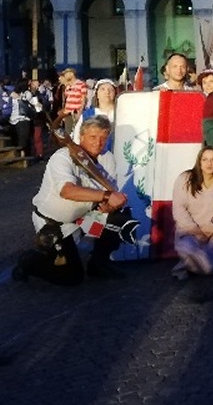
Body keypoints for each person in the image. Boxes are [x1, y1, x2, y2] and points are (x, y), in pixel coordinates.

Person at [13, 115, 132, 285]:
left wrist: (108, 207)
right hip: (55, 223)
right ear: (81, 136)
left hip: (83, 219)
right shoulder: (62, 157)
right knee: (71, 277)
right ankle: (28, 261)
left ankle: (98, 264)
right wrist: (106, 197)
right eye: (92, 137)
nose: (98, 143)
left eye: (103, 138)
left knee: (119, 219)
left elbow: (109, 195)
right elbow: (67, 191)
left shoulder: (107, 158)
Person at [171, 146, 213, 280]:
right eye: (205, 160)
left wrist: (212, 229)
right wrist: (196, 231)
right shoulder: (185, 179)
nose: (209, 164)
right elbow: (179, 209)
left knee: (210, 268)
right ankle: (185, 266)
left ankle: (187, 265)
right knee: (188, 247)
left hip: (212, 233)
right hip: (188, 231)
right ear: (199, 162)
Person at [73, 78, 117, 153]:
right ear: (97, 94)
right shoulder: (87, 115)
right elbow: (77, 137)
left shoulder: (121, 114)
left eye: (111, 89)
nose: (107, 92)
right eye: (103, 89)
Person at [57, 67, 89, 135]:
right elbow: (67, 101)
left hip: (75, 113)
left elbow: (83, 99)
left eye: (66, 74)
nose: (65, 76)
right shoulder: (68, 86)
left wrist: (80, 112)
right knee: (68, 133)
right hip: (68, 114)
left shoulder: (81, 84)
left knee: (76, 133)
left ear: (71, 74)